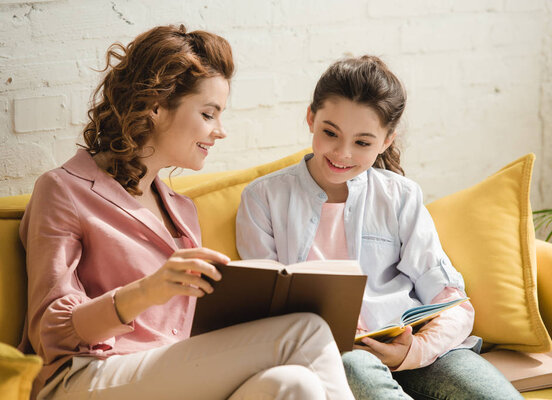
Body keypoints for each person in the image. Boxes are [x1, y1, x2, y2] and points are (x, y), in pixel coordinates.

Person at [19, 25, 355, 400]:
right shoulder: (64, 189)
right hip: (85, 378)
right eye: (209, 114)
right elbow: (51, 330)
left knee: (295, 386)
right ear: (156, 107)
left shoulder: (181, 210)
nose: (220, 131)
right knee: (305, 330)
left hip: (168, 374)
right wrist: (147, 290)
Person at [236, 56, 523, 400]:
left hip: (419, 351)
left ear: (386, 141)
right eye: (330, 133)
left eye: (362, 142)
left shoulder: (400, 196)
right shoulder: (263, 198)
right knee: (354, 365)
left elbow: (454, 302)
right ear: (310, 117)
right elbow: (263, 305)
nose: (342, 153)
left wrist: (413, 349)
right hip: (334, 356)